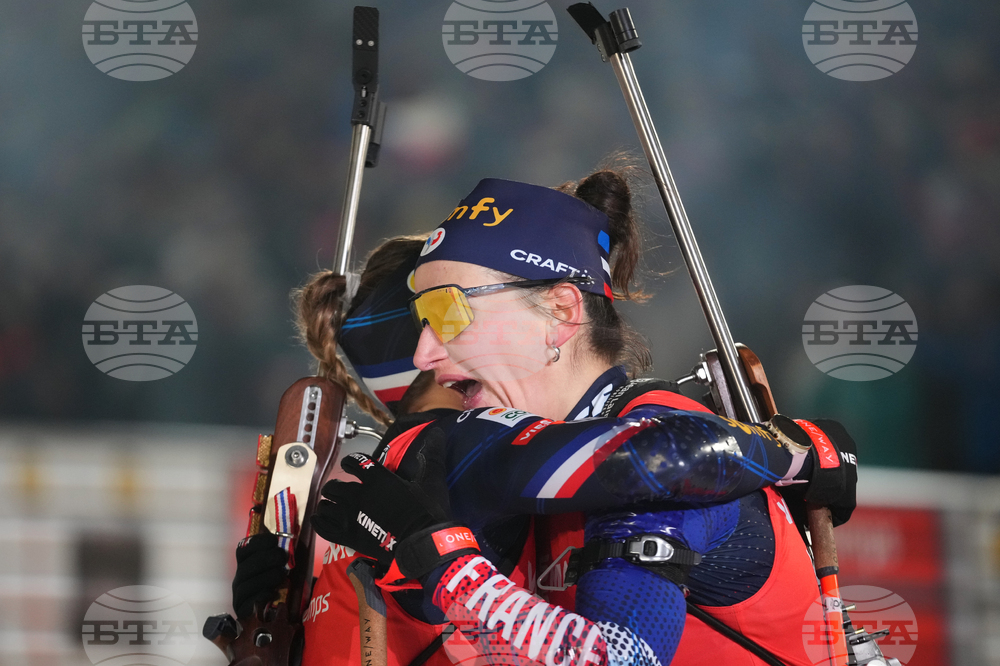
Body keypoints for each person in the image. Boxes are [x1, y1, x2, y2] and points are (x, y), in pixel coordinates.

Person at [311, 168, 858, 664]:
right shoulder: (531, 463)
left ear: (561, 312)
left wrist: (445, 566)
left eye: (447, 310)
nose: (423, 355)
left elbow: (617, 659)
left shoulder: (659, 441)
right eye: (420, 318)